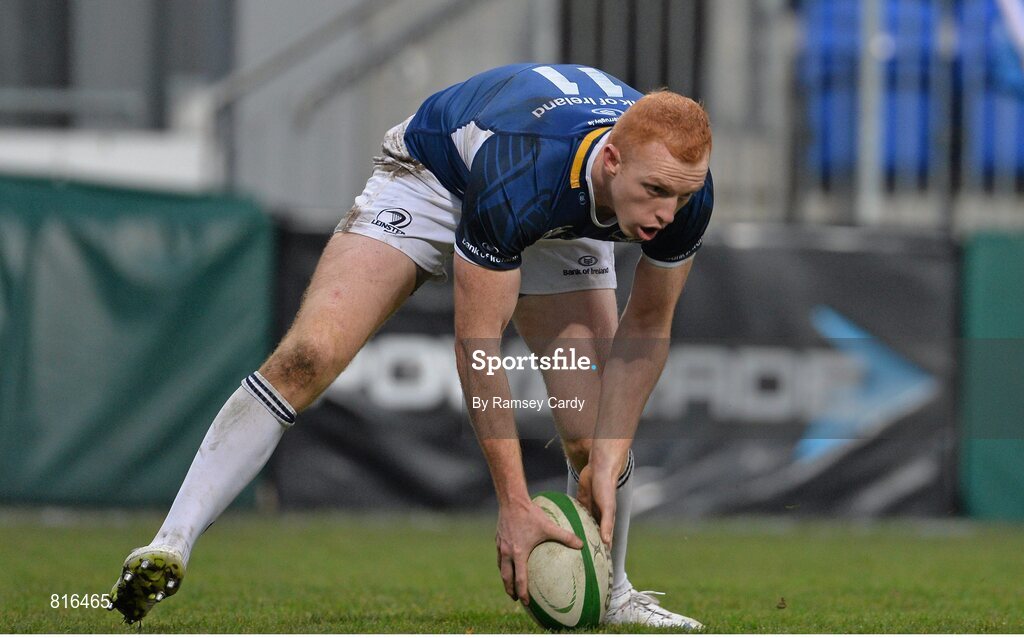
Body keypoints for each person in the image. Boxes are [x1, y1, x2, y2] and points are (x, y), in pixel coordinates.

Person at [107, 63, 713, 629]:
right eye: (656, 190)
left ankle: (616, 595)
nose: (667, 212)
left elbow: (649, 327)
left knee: (592, 433)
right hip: (434, 177)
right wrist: (514, 503)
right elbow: (479, 347)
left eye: (681, 196)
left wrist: (610, 452)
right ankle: (169, 544)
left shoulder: (683, 194)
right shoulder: (520, 165)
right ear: (611, 159)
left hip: (561, 216)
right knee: (308, 356)